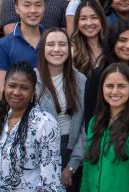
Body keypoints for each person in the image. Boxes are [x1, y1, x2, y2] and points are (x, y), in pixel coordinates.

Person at [81, 63, 129, 191]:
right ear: (102, 89)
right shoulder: (95, 122)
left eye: (121, 86)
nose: (115, 91)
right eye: (109, 86)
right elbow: (87, 172)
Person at [0, 61, 63, 191]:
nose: (16, 92)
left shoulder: (44, 123)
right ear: (4, 86)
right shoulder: (4, 120)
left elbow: (51, 183)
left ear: (33, 91)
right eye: (12, 85)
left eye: (24, 87)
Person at [35, 28, 87, 191]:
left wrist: (72, 165)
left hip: (70, 150)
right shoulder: (31, 79)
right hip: (38, 155)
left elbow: (84, 127)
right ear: (43, 49)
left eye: (62, 44)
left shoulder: (80, 80)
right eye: (51, 44)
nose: (57, 49)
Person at [82, 20, 129, 123]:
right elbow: (91, 118)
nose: (128, 46)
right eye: (122, 40)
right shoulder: (98, 75)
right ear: (112, 41)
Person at [0, 0, 47, 92]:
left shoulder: (53, 41)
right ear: (16, 8)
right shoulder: (3, 45)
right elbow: (0, 90)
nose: (33, 10)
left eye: (38, 5)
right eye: (26, 5)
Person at [71, 0, 107, 75]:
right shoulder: (72, 51)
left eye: (94, 17)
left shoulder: (112, 47)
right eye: (83, 18)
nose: (89, 23)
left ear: (101, 20)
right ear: (77, 22)